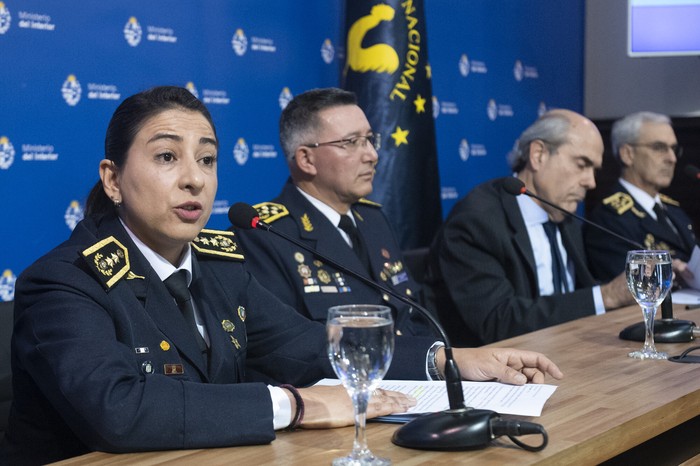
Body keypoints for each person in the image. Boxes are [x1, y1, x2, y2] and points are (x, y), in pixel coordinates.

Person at [0, 86, 563, 465]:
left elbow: (309, 345)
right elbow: (118, 411)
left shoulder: (220, 265)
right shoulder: (63, 281)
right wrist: (296, 405)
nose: (195, 180)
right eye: (168, 158)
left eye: (208, 158)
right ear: (114, 179)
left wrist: (451, 359)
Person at [424, 109, 635, 347]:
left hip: (570, 352)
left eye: (594, 170)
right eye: (581, 164)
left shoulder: (564, 213)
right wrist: (607, 296)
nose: (591, 181)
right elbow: (498, 322)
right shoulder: (476, 221)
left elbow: (577, 294)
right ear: (538, 155)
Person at [234, 87, 430, 337]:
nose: (372, 155)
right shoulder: (264, 235)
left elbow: (417, 318)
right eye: (351, 142)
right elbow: (290, 348)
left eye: (370, 139)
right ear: (306, 159)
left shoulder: (373, 219)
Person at [585, 111, 697, 284]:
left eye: (674, 149)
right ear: (627, 154)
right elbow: (627, 288)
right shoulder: (608, 217)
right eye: (659, 148)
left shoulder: (673, 211)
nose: (672, 158)